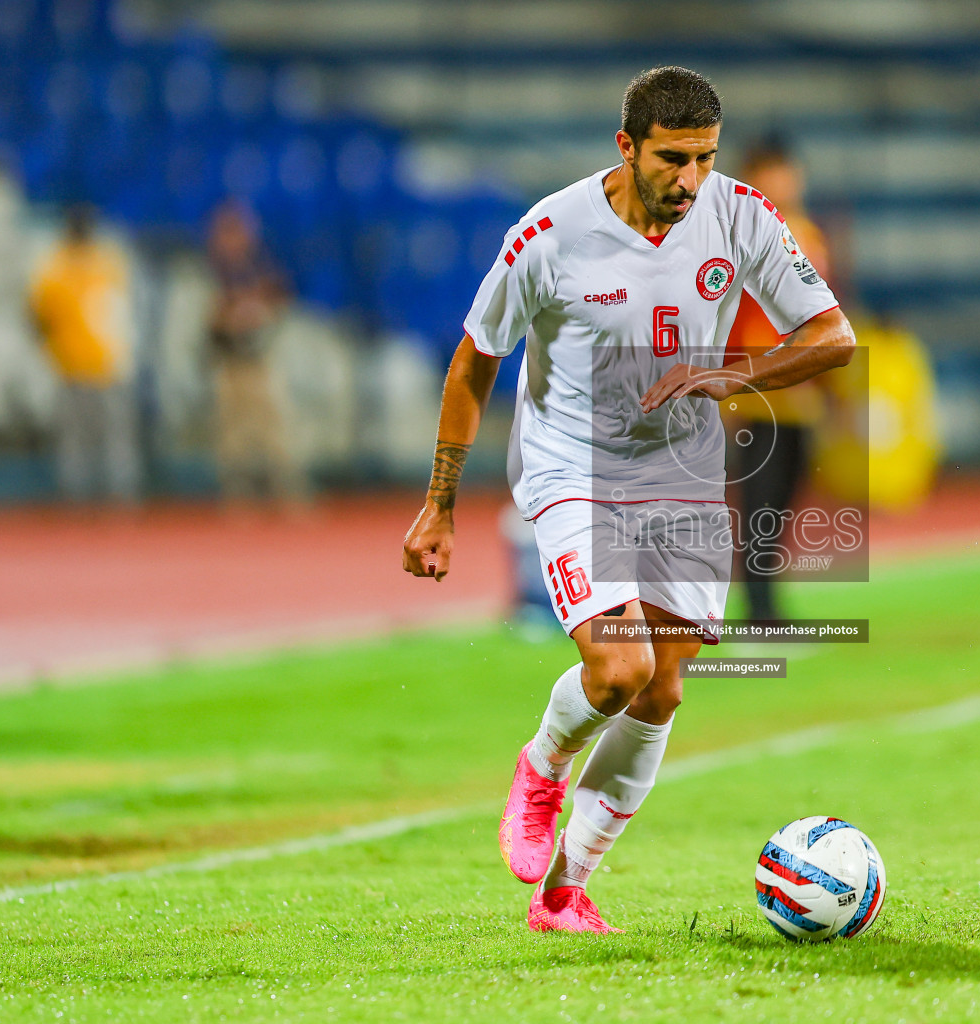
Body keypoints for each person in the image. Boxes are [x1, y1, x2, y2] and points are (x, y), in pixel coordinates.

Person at [401, 66, 855, 933]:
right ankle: (542, 766)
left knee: (662, 692)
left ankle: (565, 894)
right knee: (620, 668)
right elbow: (473, 363)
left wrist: (732, 373)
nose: (690, 180)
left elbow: (833, 335)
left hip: (680, 476)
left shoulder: (741, 215)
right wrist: (441, 502)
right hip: (575, 470)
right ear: (627, 148)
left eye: (704, 159)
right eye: (672, 159)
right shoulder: (549, 233)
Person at [722, 138, 835, 624]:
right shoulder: (743, 236)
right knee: (758, 504)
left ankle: (769, 601)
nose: (782, 182)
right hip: (757, 396)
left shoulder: (809, 234)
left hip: (801, 395)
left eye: (786, 171)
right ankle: (758, 608)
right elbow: (725, 315)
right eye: (770, 173)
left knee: (784, 503)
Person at [28, 204, 140, 502]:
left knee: (101, 437)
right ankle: (91, 495)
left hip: (97, 363)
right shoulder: (76, 266)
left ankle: (111, 494)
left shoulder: (70, 266)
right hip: (82, 363)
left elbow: (40, 318)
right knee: (85, 438)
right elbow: (40, 317)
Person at [206, 200, 304, 506]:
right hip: (229, 360)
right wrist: (231, 311)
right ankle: (238, 495)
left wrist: (256, 305)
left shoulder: (259, 263)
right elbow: (209, 320)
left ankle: (287, 490)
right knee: (233, 433)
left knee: (273, 425)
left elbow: (280, 298)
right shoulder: (211, 270)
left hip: (259, 357)